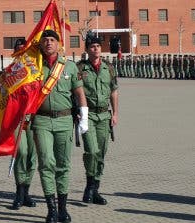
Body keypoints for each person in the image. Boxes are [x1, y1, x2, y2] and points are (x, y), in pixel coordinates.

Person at [31, 30, 88, 223]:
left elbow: (79, 93)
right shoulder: (33, 67)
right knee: (46, 162)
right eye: (45, 40)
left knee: (63, 165)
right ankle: (51, 209)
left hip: (64, 120)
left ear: (58, 44)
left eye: (52, 40)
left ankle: (63, 208)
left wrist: (84, 118)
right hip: (41, 120)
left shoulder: (70, 67)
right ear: (40, 44)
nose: (48, 43)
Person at [76, 33, 119, 205]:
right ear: (87, 49)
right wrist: (77, 111)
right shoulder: (79, 68)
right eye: (93, 46)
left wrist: (115, 113)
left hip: (104, 115)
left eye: (98, 46)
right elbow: (74, 91)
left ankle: (95, 189)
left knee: (101, 153)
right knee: (91, 151)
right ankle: (89, 185)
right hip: (88, 115)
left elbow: (114, 91)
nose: (96, 49)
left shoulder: (108, 67)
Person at [11, 38, 37, 210]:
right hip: (17, 119)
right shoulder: (10, 71)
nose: (22, 52)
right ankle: (19, 191)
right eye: (19, 50)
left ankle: (26, 191)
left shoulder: (35, 70)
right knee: (22, 152)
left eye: (24, 49)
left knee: (32, 156)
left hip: (34, 118)